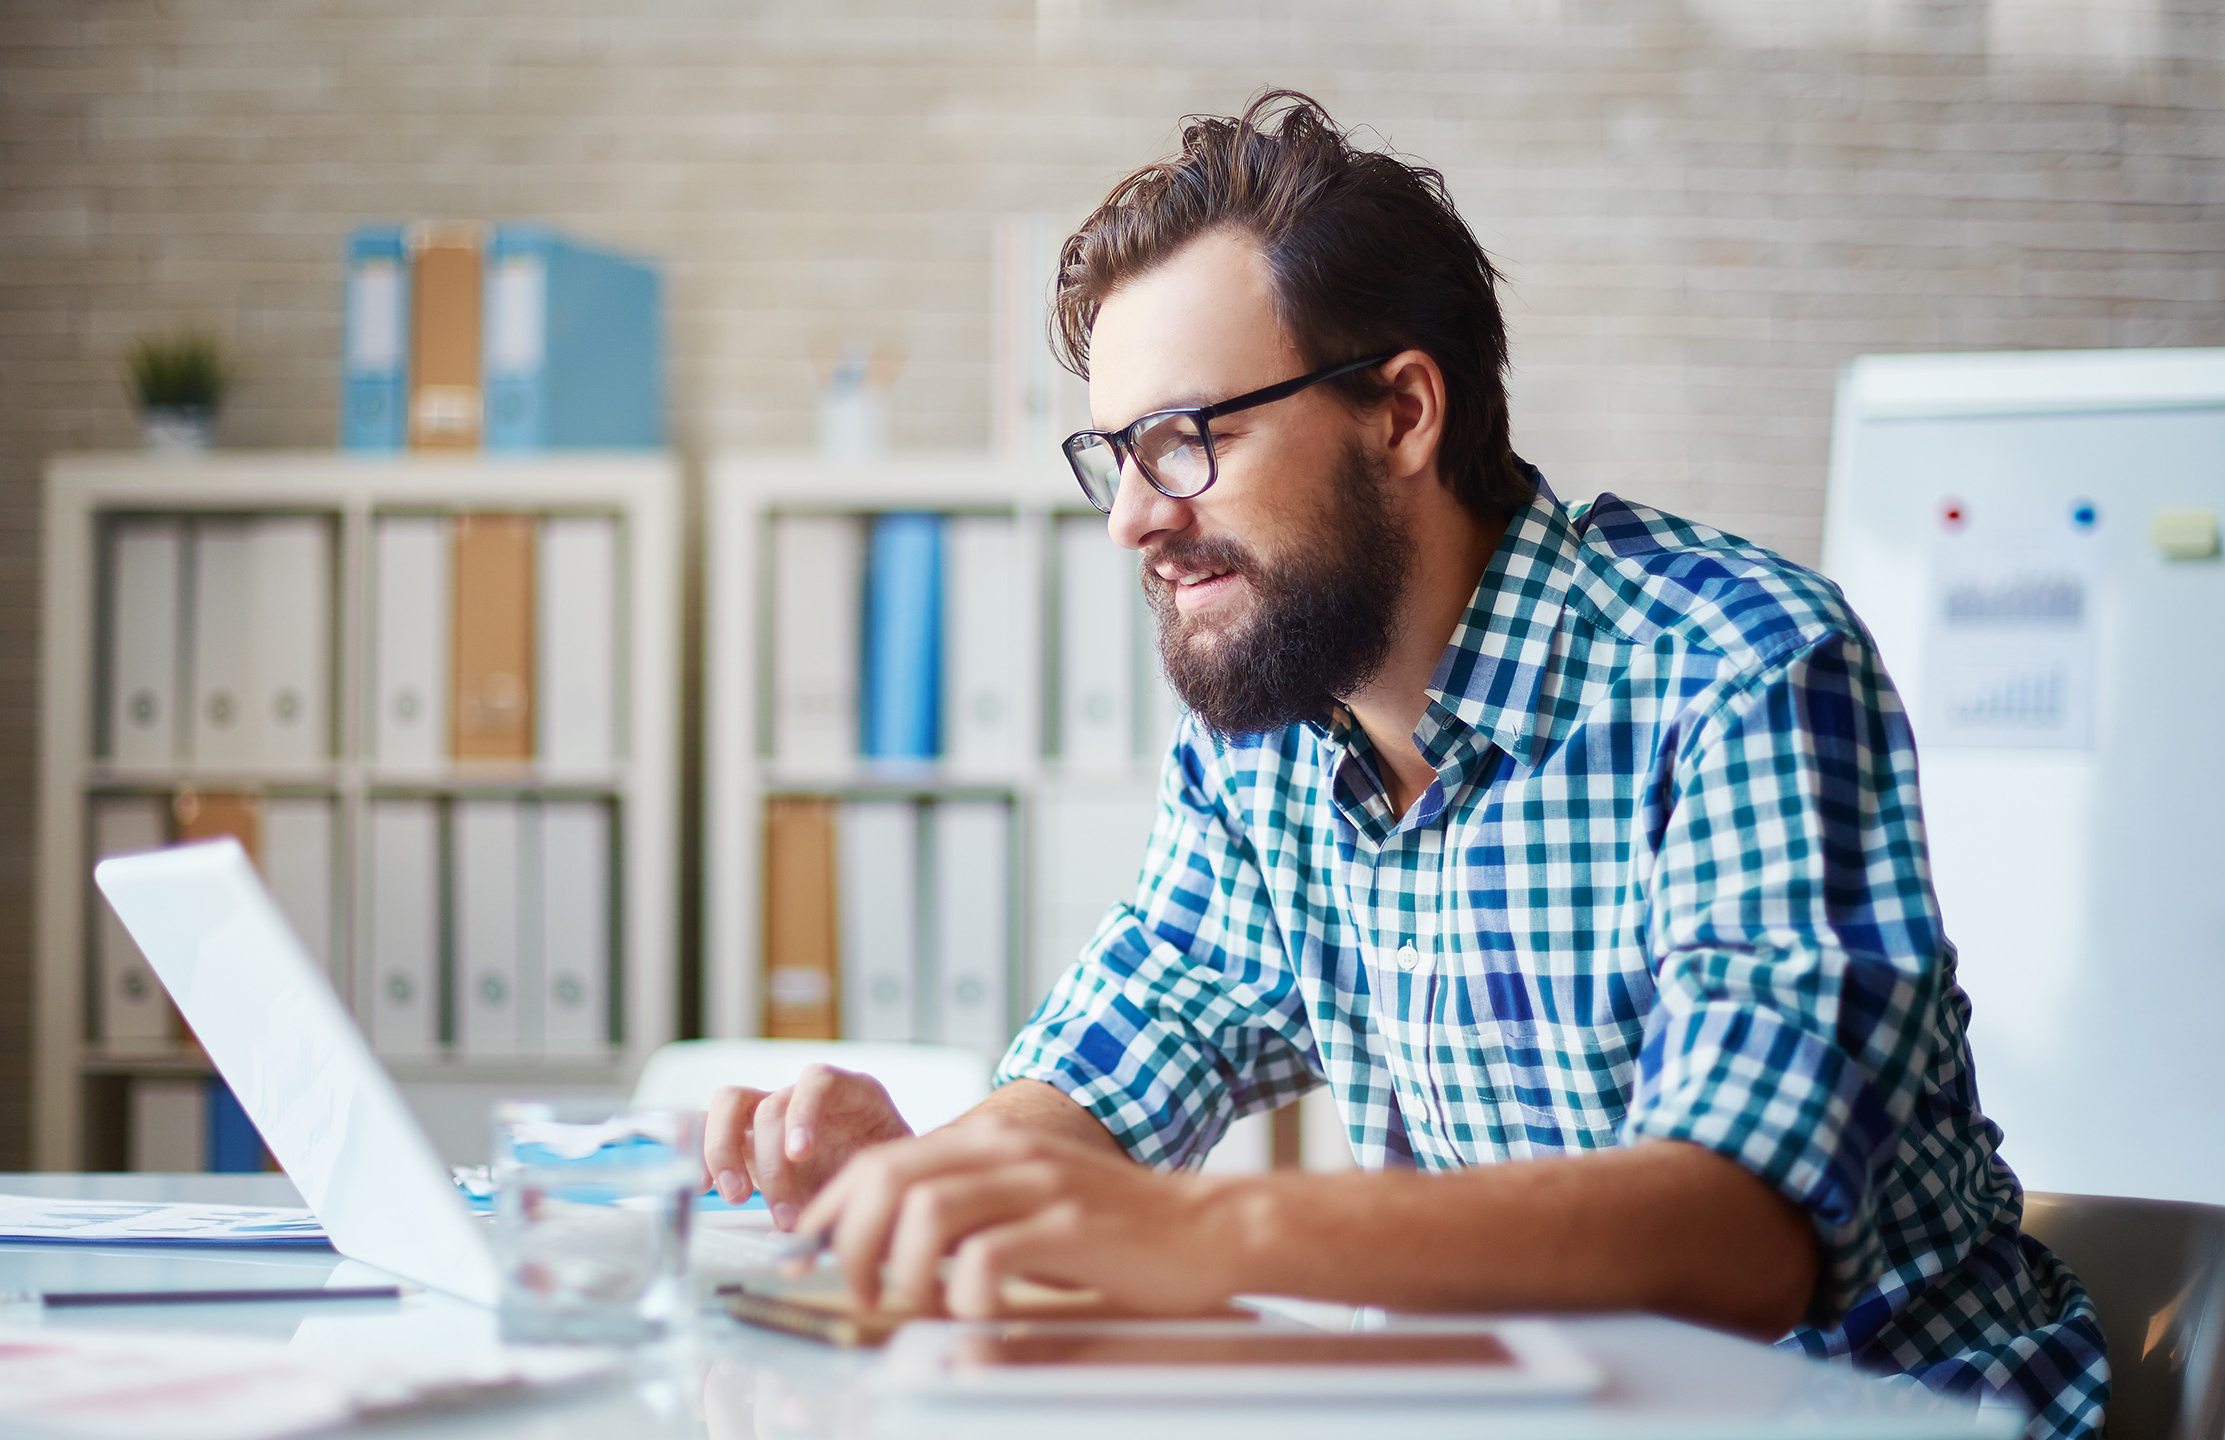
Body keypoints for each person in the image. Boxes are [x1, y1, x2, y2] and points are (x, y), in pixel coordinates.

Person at [704, 91, 2107, 1438]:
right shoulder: (1269, 735)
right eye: (1114, 455)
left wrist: (1201, 1236)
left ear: (1402, 414)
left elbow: (1739, 1239)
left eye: (1188, 440)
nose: (1133, 518)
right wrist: (938, 1177)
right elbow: (1111, 1078)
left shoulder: (1740, 666)